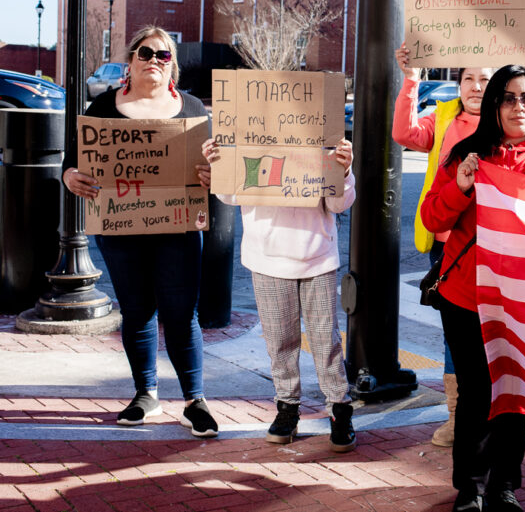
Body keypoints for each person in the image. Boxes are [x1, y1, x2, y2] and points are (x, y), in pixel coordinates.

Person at [420, 65, 525, 512]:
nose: (518, 107)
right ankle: (468, 487)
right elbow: (434, 220)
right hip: (466, 298)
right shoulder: (467, 155)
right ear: (493, 105)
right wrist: (462, 186)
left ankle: (503, 486)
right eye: (507, 98)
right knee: (475, 392)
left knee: (515, 394)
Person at [62, 26, 218, 437]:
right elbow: (72, 162)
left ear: (173, 67)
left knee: (182, 314)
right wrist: (70, 177)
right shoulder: (101, 110)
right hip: (119, 229)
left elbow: (215, 170)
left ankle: (194, 400)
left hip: (179, 229)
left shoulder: (192, 110)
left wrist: (211, 175)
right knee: (136, 311)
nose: (153, 60)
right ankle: (145, 393)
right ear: (130, 61)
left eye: (163, 55)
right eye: (145, 53)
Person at [198, 134, 357, 452]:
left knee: (326, 341)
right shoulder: (250, 136)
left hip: (317, 257)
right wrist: (219, 163)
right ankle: (287, 407)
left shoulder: (324, 139)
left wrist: (345, 170)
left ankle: (339, 408)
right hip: (267, 256)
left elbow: (340, 203)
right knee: (279, 341)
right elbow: (231, 195)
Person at [393, 45, 496, 448]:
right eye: (469, 78)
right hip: (448, 246)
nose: (476, 86)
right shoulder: (446, 115)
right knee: (456, 335)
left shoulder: (510, 118)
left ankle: (491, 414)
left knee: (494, 335)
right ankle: (457, 417)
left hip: (494, 246)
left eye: (485, 79)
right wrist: (411, 79)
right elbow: (404, 134)